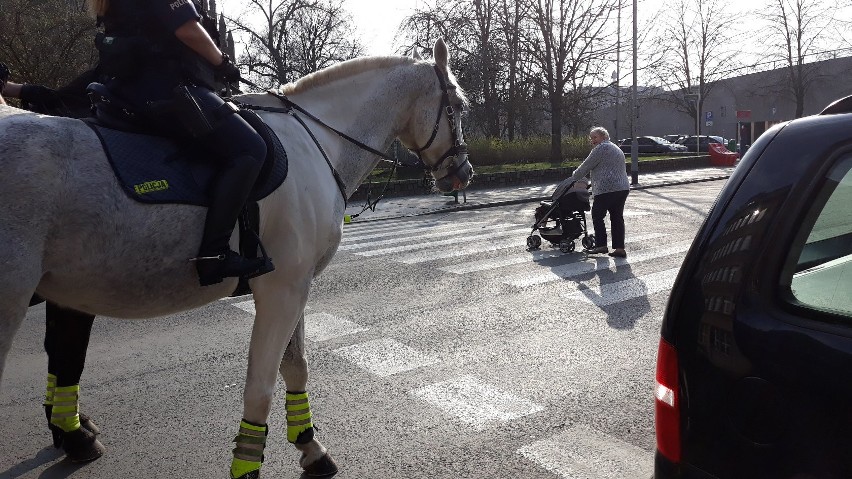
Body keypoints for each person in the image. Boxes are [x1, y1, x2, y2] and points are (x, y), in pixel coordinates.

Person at [88, 0, 273, 285]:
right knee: (250, 149)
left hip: (124, 92)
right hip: (167, 91)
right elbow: (188, 30)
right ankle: (214, 254)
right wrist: (223, 64)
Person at [554, 126, 630, 258]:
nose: (593, 140)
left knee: (597, 215)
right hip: (622, 188)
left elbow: (586, 166)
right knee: (617, 217)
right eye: (591, 138)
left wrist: (575, 176)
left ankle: (601, 245)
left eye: (595, 137)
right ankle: (619, 248)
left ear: (604, 137)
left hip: (607, 189)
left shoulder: (601, 148)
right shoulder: (616, 148)